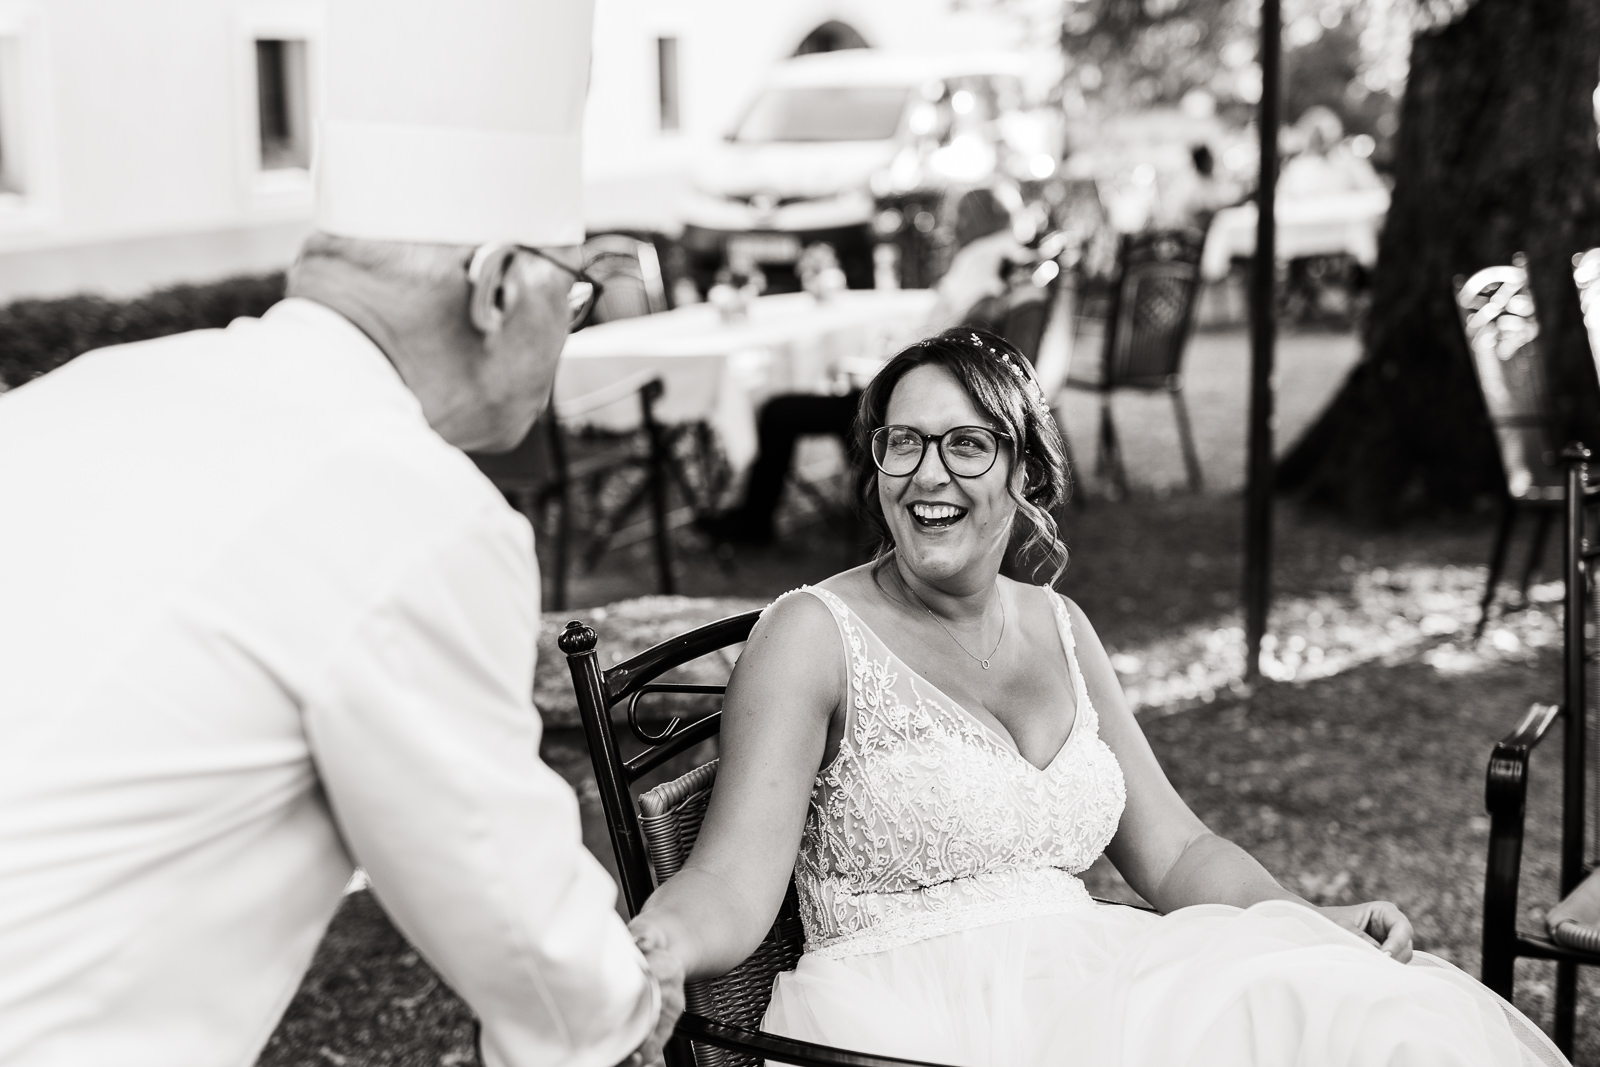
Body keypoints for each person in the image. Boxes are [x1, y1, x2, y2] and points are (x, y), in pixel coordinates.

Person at [0, 1, 683, 1065]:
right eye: (577, 290)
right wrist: (629, 1005)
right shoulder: (414, 508)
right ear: (501, 286)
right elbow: (529, 939)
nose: (574, 324)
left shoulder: (81, 393)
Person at [629, 327, 1567, 1065]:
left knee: (1372, 1019)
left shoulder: (1063, 627)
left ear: (1025, 471)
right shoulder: (810, 635)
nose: (928, 473)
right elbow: (733, 880)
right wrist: (660, 942)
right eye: (902, 443)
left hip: (1092, 981)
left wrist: (1301, 918)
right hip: (910, 1017)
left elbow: (1178, 848)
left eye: (966, 444)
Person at [696, 188, 1030, 548]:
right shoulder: (1013, 259)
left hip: (919, 399)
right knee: (805, 400)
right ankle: (780, 515)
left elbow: (939, 338)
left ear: (975, 220)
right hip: (946, 390)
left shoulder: (978, 263)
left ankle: (755, 524)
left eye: (960, 218)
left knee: (780, 411)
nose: (953, 227)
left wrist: (883, 365)